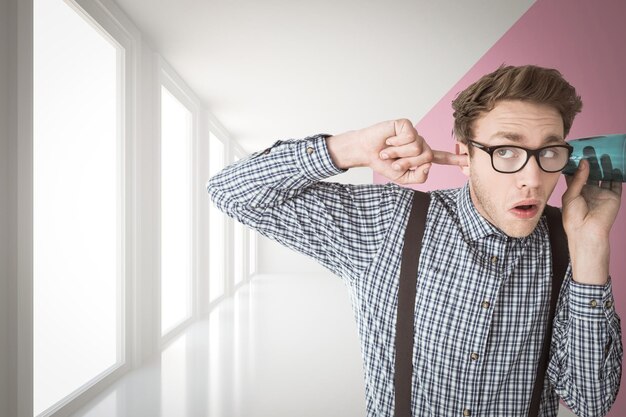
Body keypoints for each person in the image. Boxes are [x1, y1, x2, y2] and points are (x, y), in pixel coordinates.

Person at [207, 65, 623, 417]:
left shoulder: (570, 244)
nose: (532, 179)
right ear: (465, 154)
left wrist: (590, 248)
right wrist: (349, 148)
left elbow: (591, 402)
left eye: (549, 153)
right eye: (507, 152)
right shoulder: (390, 223)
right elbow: (232, 192)